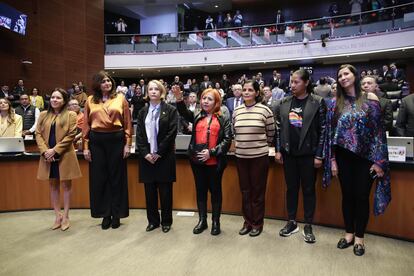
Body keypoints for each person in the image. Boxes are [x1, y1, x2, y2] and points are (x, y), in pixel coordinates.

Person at [323, 64, 391, 256]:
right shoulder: (335, 103)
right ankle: (348, 234)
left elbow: (379, 133)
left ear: (355, 75)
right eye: (340, 75)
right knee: (347, 196)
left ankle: (360, 238)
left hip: (366, 158)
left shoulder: (370, 99)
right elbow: (331, 136)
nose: (343, 77)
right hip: (343, 158)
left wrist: (379, 161)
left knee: (361, 197)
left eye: (346, 73)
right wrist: (333, 160)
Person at [274, 69, 326, 243]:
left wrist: (319, 155)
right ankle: (292, 221)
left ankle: (308, 224)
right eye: (291, 82)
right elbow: (279, 129)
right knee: (291, 189)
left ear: (306, 82)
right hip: (289, 155)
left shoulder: (318, 102)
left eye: (296, 82)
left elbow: (323, 131)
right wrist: (278, 150)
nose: (292, 85)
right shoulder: (284, 102)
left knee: (309, 190)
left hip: (309, 156)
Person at [174, 86, 232, 235]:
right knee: (200, 191)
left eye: (210, 99)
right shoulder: (197, 115)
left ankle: (215, 222)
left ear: (216, 102)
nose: (205, 101)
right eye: (204, 98)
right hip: (197, 162)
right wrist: (179, 99)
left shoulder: (223, 117)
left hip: (214, 163)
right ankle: (202, 220)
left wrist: (211, 152)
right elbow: (183, 112)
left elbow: (227, 140)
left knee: (215, 192)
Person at [82, 71, 132, 230]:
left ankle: (116, 214)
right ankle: (105, 214)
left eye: (109, 81)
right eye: (103, 81)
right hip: (96, 142)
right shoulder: (90, 100)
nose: (107, 84)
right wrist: (85, 146)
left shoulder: (120, 99)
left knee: (117, 179)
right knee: (100, 179)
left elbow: (127, 123)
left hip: (116, 140)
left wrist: (127, 144)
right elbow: (86, 125)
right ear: (98, 84)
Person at [35, 88, 81, 231]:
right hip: (47, 157)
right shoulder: (43, 115)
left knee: (66, 186)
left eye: (58, 98)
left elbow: (71, 134)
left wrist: (55, 150)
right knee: (53, 185)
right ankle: (57, 215)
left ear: (64, 100)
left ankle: (66, 216)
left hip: (65, 154)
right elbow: (38, 134)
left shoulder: (71, 115)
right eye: (53, 97)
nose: (55, 100)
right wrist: (45, 151)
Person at [233, 80, 275, 237]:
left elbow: (271, 132)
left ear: (257, 93)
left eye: (250, 90)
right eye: (244, 89)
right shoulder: (236, 111)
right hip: (241, 157)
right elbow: (234, 131)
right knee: (245, 191)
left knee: (257, 192)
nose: (246, 92)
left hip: (259, 157)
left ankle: (257, 223)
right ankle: (247, 222)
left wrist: (259, 145)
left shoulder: (265, 110)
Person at [136, 80, 178, 233]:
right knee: (150, 193)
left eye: (156, 89)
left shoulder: (171, 110)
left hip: (164, 157)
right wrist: (146, 153)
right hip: (146, 158)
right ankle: (153, 221)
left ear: (161, 92)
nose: (153, 91)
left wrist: (159, 152)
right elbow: (139, 135)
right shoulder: (142, 112)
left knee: (166, 193)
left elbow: (171, 133)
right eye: (150, 89)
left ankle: (166, 221)